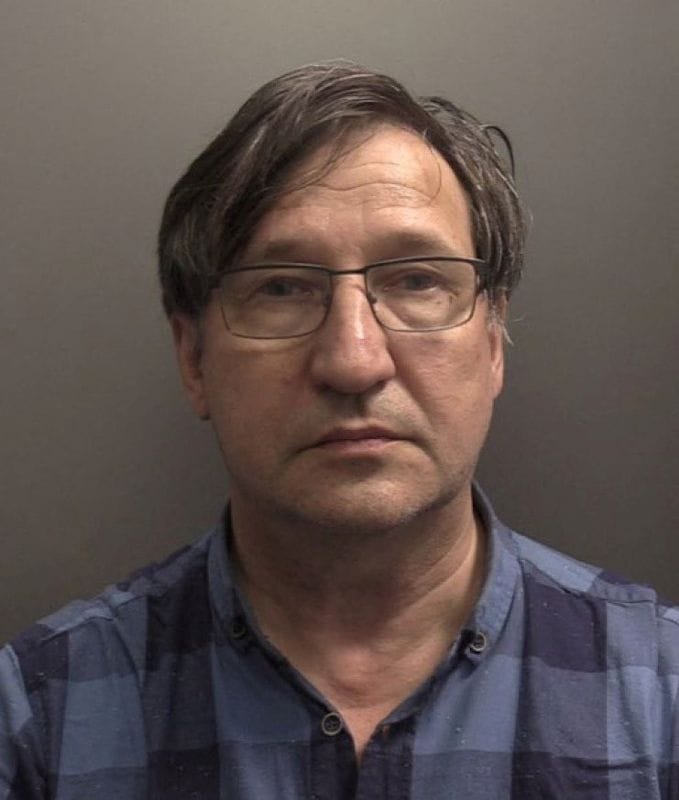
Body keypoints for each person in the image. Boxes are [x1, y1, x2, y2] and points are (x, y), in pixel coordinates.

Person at [1, 62, 677, 800]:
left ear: (492, 343)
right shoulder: (38, 721)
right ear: (193, 359)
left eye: (417, 280)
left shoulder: (662, 698)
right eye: (282, 288)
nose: (354, 361)